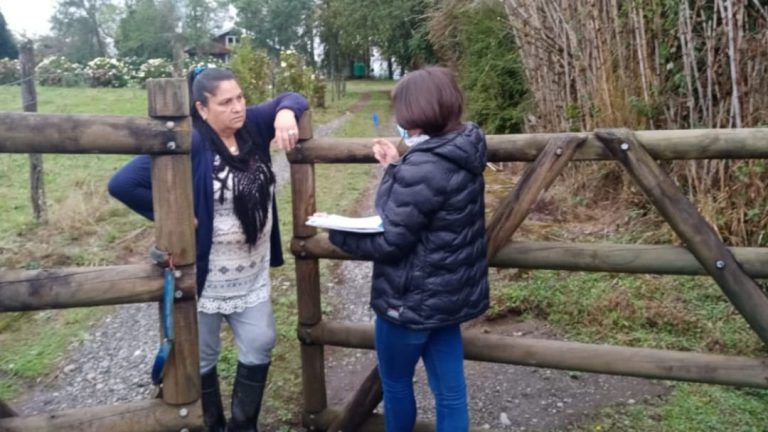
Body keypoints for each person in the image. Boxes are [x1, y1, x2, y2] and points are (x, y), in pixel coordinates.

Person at [108, 67, 309, 432]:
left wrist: (284, 112)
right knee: (202, 356)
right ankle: (213, 425)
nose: (238, 108)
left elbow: (292, 97)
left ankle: (244, 426)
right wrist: (177, 215)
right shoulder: (193, 141)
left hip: (251, 273)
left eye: (241, 97)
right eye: (226, 102)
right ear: (202, 109)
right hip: (205, 277)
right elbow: (123, 184)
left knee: (260, 342)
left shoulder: (254, 126)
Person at [327, 66, 489, 431]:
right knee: (451, 394)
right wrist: (396, 168)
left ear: (415, 113)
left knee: (397, 384)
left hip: (408, 303)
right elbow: (428, 207)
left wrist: (336, 233)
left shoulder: (424, 165)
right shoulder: (464, 152)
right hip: (448, 303)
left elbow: (390, 238)